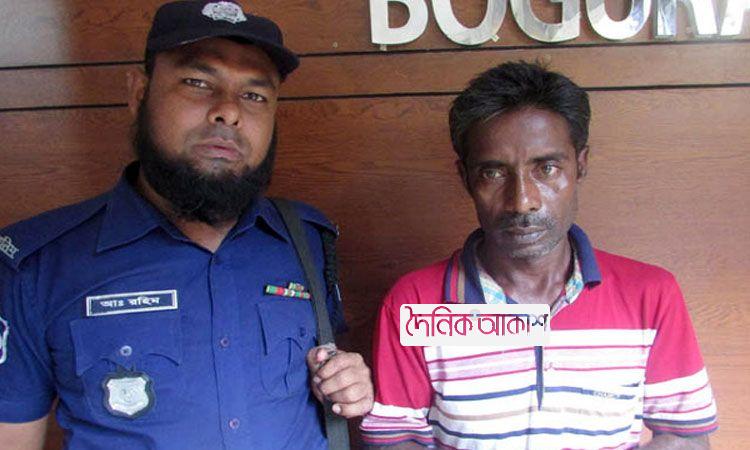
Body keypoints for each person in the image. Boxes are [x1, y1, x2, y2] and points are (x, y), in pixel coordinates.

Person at [0, 1, 373, 449]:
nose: (228, 112)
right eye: (198, 82)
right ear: (139, 93)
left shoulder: (307, 240)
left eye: (254, 95)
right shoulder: (36, 266)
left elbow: (321, 372)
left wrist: (344, 380)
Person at [360, 61, 717, 449]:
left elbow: (685, 437)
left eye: (546, 168)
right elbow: (394, 440)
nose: (522, 201)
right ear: (465, 177)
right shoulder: (415, 304)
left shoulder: (649, 295)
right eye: (493, 173)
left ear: (580, 164)